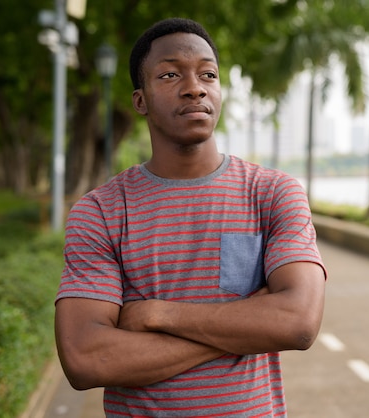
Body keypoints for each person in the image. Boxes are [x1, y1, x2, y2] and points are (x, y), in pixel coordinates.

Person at [55, 17, 326, 417]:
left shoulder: (271, 193)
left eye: (208, 74)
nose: (195, 87)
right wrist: (248, 323)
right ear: (140, 100)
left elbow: (298, 322)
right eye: (169, 74)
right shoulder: (101, 211)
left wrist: (158, 314)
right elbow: (86, 359)